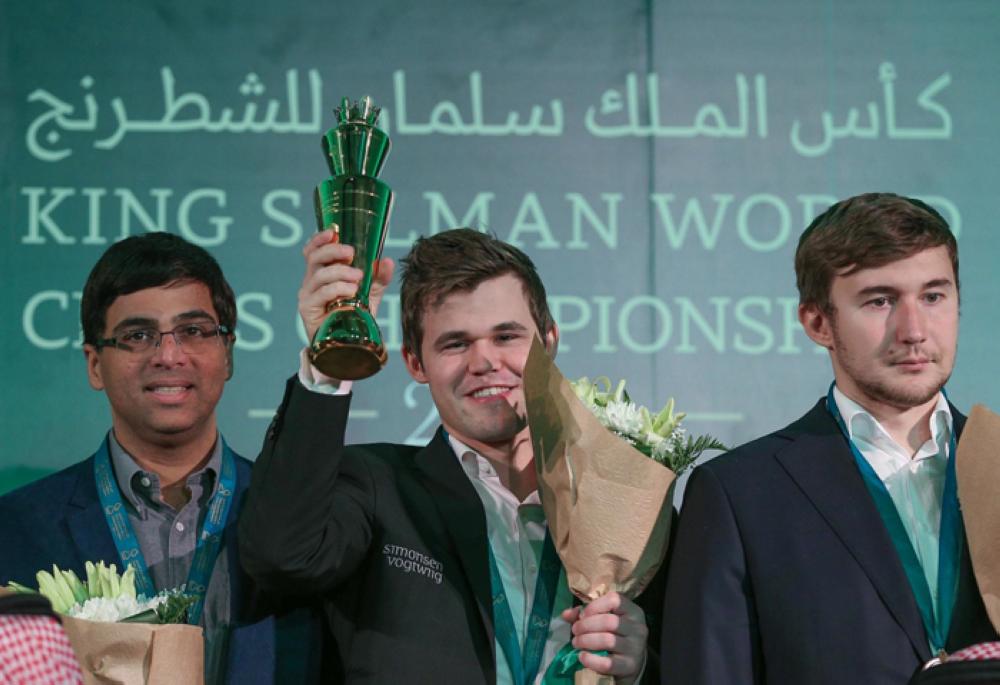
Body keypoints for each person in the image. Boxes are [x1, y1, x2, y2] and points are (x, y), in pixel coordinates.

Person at [239, 228, 664, 683]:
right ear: (415, 362)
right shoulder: (375, 486)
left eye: (506, 336)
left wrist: (638, 667)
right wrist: (330, 361)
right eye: (455, 343)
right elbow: (282, 558)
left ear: (550, 340)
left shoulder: (624, 506)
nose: (484, 361)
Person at [661, 193, 998, 684]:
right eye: (880, 300)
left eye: (933, 296)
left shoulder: (994, 459)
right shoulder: (740, 495)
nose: (914, 330)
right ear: (818, 322)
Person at [0, 233, 312, 684]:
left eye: (193, 331)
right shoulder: (16, 529)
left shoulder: (298, 517)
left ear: (227, 355)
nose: (168, 355)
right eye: (138, 335)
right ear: (94, 364)